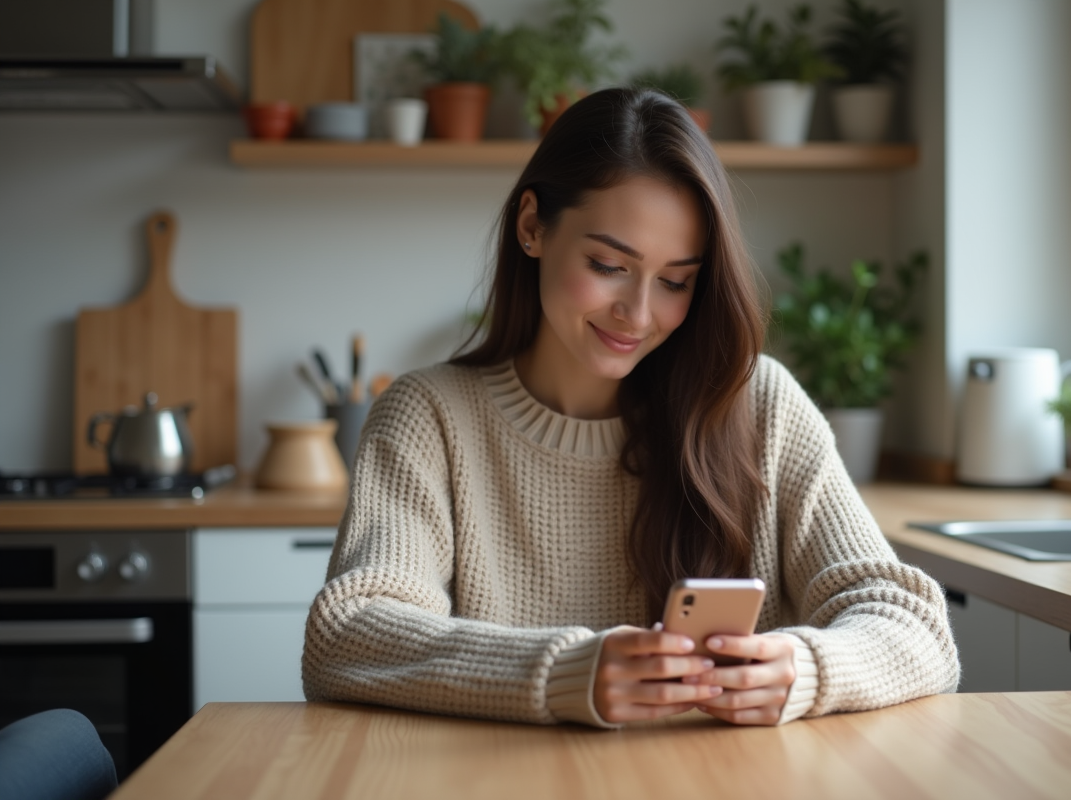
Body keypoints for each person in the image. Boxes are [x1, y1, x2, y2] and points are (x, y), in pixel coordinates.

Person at [302, 87, 959, 728]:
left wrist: (806, 668)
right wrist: (566, 674)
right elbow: (350, 635)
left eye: (676, 281)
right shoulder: (429, 418)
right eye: (608, 265)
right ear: (532, 227)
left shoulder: (757, 404)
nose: (639, 314)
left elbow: (917, 629)